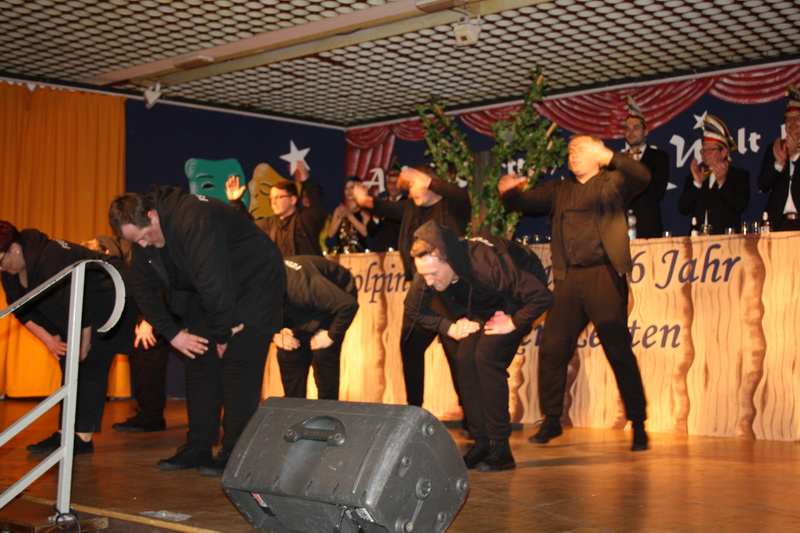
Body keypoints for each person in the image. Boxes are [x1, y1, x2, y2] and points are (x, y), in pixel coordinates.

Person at [108, 186, 286, 476]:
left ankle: (235, 451)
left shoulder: (194, 218)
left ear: (152, 216)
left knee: (237, 366)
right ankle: (198, 446)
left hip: (253, 285)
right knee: (199, 361)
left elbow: (213, 276)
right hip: (206, 293)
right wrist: (173, 334)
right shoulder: (144, 240)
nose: (142, 245)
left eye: (143, 236)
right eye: (134, 241)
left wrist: (222, 333)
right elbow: (142, 291)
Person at [499, 134, 651, 452]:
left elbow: (643, 176)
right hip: (568, 280)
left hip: (603, 275)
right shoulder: (560, 189)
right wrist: (509, 192)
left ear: (597, 153)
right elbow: (521, 203)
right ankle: (552, 419)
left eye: (581, 149)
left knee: (618, 351)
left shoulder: (613, 182)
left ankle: (638, 423)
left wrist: (611, 156)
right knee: (552, 350)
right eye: (570, 151)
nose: (574, 155)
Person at [405, 221, 553, 471]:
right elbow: (413, 308)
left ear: (450, 261)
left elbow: (542, 297)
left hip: (516, 300)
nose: (428, 281)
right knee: (465, 359)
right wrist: (449, 327)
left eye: (433, 274)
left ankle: (501, 448)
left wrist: (513, 321)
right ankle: (481, 442)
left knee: (486, 357)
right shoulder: (428, 270)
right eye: (424, 274)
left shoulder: (487, 264)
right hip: (482, 304)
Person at [0, 221, 137, 455]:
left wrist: (82, 346)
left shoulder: (51, 256)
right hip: (72, 314)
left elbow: (80, 301)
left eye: (2, 261)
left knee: (90, 365)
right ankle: (65, 433)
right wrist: (49, 340)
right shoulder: (10, 273)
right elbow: (20, 309)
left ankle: (81, 438)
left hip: (107, 302)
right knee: (70, 367)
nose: (2, 268)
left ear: (14, 247)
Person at [352, 165, 471, 408]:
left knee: (456, 355)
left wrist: (428, 181)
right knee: (409, 346)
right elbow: (381, 206)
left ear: (431, 182)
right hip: (422, 290)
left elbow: (461, 195)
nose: (410, 191)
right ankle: (414, 409)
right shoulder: (409, 208)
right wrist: (364, 200)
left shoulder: (451, 206)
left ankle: (471, 414)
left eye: (415, 184)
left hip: (451, 292)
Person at [81, 235, 170, 433]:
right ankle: (148, 412)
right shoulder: (117, 266)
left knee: (147, 359)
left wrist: (148, 321)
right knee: (140, 363)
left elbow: (157, 287)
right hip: (142, 317)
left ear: (105, 253)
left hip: (155, 316)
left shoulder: (134, 260)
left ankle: (152, 416)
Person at [274, 255, 359, 400]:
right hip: (296, 303)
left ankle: (326, 408)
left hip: (334, 302)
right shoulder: (258, 283)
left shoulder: (302, 287)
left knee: (323, 355)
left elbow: (348, 305)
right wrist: (276, 332)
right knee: (289, 351)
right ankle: (293, 407)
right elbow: (256, 311)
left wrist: (331, 335)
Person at [677, 115, 750, 235]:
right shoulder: (696, 175)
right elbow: (682, 208)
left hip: (726, 237)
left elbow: (741, 205)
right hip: (698, 237)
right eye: (703, 151)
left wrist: (722, 182)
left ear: (724, 152)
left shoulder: (738, 175)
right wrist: (697, 184)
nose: (705, 154)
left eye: (710, 150)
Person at [622, 96, 670, 238]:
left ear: (646, 131)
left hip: (648, 225)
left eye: (636, 128)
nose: (631, 132)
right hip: (621, 225)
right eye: (627, 129)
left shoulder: (659, 157)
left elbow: (658, 193)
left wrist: (637, 171)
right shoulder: (618, 160)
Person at [259, 161, 327, 257]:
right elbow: (248, 226)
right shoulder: (269, 223)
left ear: (293, 200)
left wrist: (306, 181)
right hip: (281, 267)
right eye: (272, 198)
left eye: (278, 197)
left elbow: (319, 211)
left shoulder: (304, 219)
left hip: (306, 266)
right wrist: (237, 202)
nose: (274, 202)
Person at [757, 85, 800, 231]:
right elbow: (763, 185)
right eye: (788, 119)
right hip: (778, 223)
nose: (792, 123)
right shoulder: (776, 148)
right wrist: (779, 163)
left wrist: (794, 156)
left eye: (797, 118)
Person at [326, 176, 370, 254]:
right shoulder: (339, 210)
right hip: (341, 253)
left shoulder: (364, 210)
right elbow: (330, 234)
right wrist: (340, 218)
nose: (349, 191)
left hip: (359, 253)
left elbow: (365, 232)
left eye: (352, 188)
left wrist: (350, 215)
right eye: (346, 188)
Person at [369, 166, 407, 252]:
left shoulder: (407, 204)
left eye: (396, 183)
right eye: (390, 183)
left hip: (400, 251)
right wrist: (377, 217)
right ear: (386, 185)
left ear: (402, 185)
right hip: (381, 252)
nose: (393, 186)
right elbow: (370, 231)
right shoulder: (382, 204)